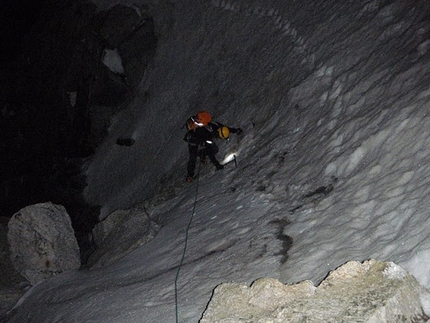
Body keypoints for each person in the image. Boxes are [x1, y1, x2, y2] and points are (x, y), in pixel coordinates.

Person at [183, 110, 242, 182]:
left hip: (201, 136)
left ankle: (201, 154)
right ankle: (190, 175)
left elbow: (225, 128)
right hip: (193, 140)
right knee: (193, 157)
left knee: (215, 149)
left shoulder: (215, 126)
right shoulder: (208, 136)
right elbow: (210, 152)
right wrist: (217, 165)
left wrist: (235, 130)